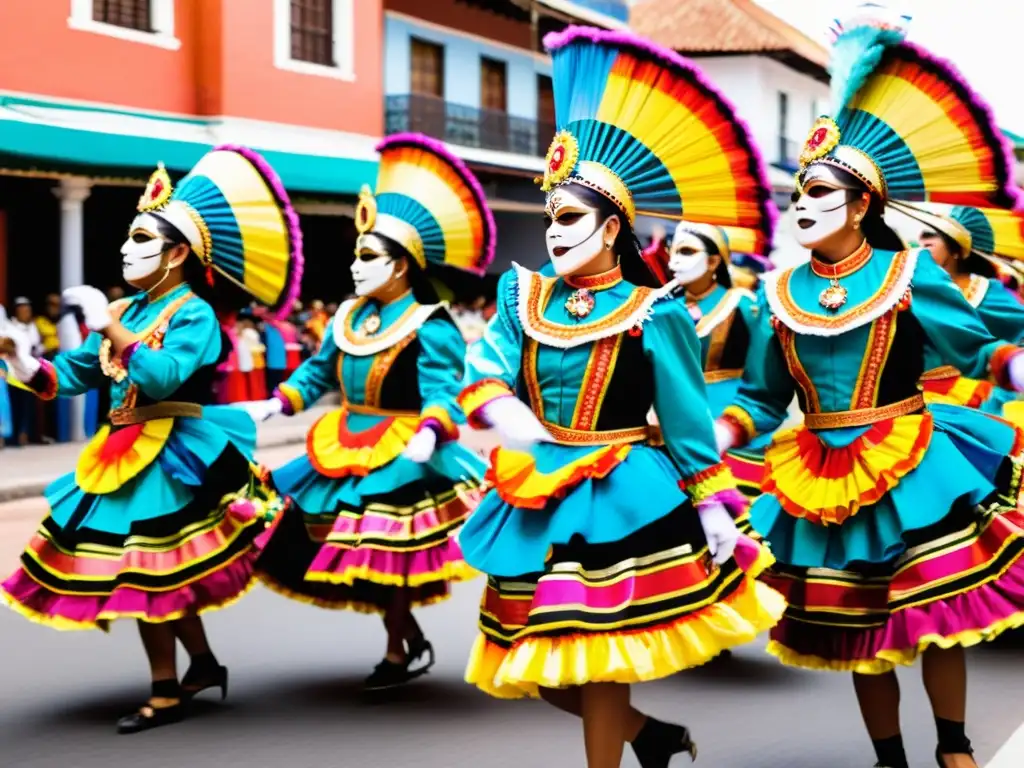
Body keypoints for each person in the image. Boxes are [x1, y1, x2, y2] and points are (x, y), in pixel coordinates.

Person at [456, 27, 784, 768]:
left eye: (568, 218)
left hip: (624, 492)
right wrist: (499, 407)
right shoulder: (523, 293)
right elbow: (489, 361)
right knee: (537, 668)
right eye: (548, 218)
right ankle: (650, 735)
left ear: (610, 228)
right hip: (536, 489)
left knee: (596, 661)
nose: (553, 231)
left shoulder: (655, 309)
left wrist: (711, 503)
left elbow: (685, 416)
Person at [713, 9, 1024, 768]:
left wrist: (1012, 366)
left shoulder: (909, 274)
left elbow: (977, 346)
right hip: (818, 468)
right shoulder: (774, 295)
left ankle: (954, 744)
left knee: (934, 614)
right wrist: (720, 434)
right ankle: (889, 758)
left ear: (861, 206)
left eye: (820, 194)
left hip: (909, 455)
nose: (803, 206)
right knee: (856, 632)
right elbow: (760, 397)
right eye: (798, 195)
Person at [0, 147, 303, 733]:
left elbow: (161, 376)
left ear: (179, 252)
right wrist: (19, 359)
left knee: (149, 577)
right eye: (128, 238)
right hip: (119, 455)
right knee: (161, 574)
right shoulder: (123, 307)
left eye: (141, 239)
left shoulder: (195, 315)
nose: (125, 249)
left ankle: (166, 692)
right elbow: (70, 377)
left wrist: (110, 326)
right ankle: (204, 666)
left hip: (176, 457)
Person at [246, 133, 493, 690]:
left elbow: (442, 390)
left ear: (402, 266)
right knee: (350, 550)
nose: (355, 267)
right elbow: (315, 373)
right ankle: (405, 642)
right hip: (345, 440)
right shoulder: (345, 317)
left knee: (385, 552)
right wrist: (276, 402)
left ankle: (399, 650)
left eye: (368, 257)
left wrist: (432, 430)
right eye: (355, 255)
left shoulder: (430, 322)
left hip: (406, 450)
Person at [642, 217, 777, 497]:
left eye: (687, 251)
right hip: (667, 420)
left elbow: (766, 376)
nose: (675, 260)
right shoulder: (661, 308)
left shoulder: (744, 306)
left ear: (714, 262)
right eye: (673, 251)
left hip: (730, 419)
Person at [912, 205, 1024, 425]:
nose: (923, 248)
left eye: (931, 241)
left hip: (973, 400)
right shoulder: (910, 287)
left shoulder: (983, 289)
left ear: (955, 250)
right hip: (911, 399)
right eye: (921, 242)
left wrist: (1009, 365)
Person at [7, 297, 41, 445]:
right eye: (22, 310)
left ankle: (26, 434)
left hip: (30, 371)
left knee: (29, 405)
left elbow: (37, 346)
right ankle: (14, 435)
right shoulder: (9, 327)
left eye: (28, 310)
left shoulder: (32, 327)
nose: (26, 313)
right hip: (13, 371)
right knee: (15, 403)